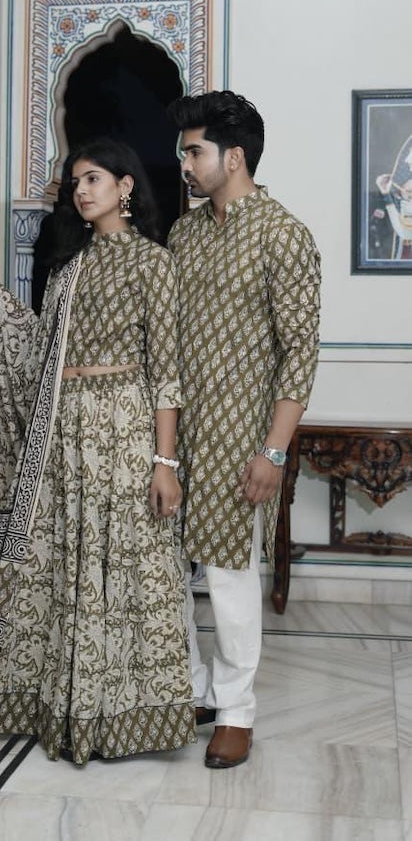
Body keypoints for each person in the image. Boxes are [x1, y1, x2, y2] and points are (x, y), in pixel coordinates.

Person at [0, 138, 196, 765]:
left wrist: (164, 463)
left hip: (123, 429)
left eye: (93, 178)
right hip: (58, 434)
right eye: (74, 183)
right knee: (42, 564)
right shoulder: (67, 271)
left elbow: (167, 372)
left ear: (125, 187)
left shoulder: (154, 264)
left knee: (119, 566)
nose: (81, 190)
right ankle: (0, 703)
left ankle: (116, 717)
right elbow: (40, 352)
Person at [167, 90, 321, 770]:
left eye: (193, 151)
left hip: (241, 440)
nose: (184, 164)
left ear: (233, 157)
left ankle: (237, 711)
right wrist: (160, 448)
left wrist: (273, 450)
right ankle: (198, 688)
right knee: (166, 570)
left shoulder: (284, 234)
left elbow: (301, 352)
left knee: (228, 577)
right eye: (181, 151)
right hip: (177, 435)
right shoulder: (183, 233)